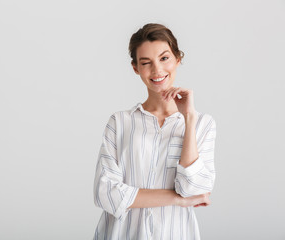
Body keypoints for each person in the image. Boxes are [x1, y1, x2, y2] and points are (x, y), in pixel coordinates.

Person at [93, 23, 217, 240]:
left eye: (164, 58)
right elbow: (106, 194)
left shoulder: (202, 124)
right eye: (146, 62)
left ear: (178, 58)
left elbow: (194, 190)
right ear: (135, 68)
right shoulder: (120, 123)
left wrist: (188, 118)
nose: (157, 70)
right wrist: (177, 199)